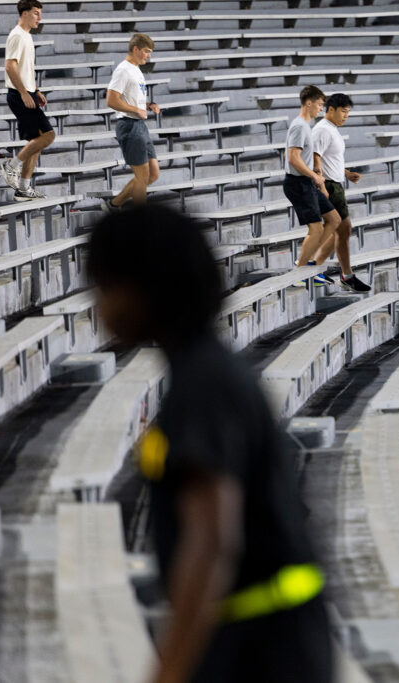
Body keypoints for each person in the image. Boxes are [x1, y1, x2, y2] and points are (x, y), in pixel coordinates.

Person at [86, 205, 333, 683]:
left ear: (143, 288)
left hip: (261, 649)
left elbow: (213, 541)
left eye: (104, 285)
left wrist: (170, 671)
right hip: (263, 635)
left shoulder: (203, 385)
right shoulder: (205, 371)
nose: (100, 305)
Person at [309, 92, 371, 292]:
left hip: (335, 184)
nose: (345, 116)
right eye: (343, 112)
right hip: (328, 186)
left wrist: (347, 173)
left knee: (341, 230)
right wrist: (321, 186)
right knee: (342, 229)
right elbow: (315, 157)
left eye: (348, 113)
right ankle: (343, 275)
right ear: (331, 109)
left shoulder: (332, 130)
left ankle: (319, 268)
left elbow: (330, 159)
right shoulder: (322, 130)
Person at [284, 85, 340, 286]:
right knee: (316, 229)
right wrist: (314, 177)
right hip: (298, 183)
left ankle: (309, 263)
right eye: (319, 104)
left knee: (333, 219)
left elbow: (305, 157)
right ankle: (300, 271)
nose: (321, 109)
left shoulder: (307, 125)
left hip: (306, 181)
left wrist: (317, 176)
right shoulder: (299, 126)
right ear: (308, 103)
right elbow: (292, 158)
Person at [0, 0, 55, 201]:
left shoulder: (27, 36)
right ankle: (11, 166)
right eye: (35, 13)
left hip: (26, 92)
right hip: (18, 94)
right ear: (24, 13)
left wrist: (35, 90)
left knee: (37, 141)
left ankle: (23, 188)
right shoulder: (17, 35)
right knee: (48, 135)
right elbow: (10, 67)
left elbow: (24, 69)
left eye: (40, 13)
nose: (39, 18)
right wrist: (24, 93)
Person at [102, 33, 160, 212]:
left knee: (153, 175)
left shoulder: (136, 68)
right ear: (136, 49)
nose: (148, 56)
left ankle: (113, 205)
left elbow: (133, 99)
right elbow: (111, 100)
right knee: (142, 178)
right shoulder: (123, 69)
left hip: (140, 125)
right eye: (146, 51)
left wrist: (148, 105)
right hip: (129, 125)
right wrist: (136, 110)